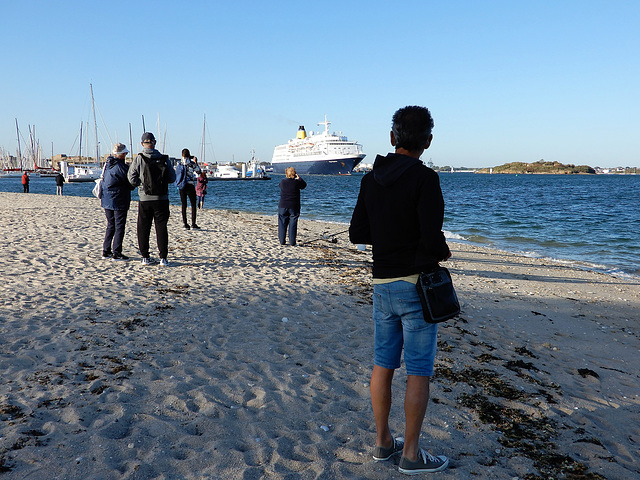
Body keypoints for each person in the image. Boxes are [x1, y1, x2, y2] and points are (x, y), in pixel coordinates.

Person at [349, 106, 451, 475]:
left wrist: (388, 236)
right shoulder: (426, 179)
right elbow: (430, 237)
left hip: (381, 283)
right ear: (427, 141)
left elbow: (357, 233)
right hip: (415, 285)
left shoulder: (369, 179)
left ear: (392, 138)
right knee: (419, 370)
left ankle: (382, 443)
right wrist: (442, 252)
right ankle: (410, 454)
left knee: (383, 364)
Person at [127, 132, 176, 266]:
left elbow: (131, 178)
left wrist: (141, 185)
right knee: (161, 228)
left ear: (143, 144)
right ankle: (163, 258)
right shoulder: (164, 158)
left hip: (145, 198)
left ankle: (145, 257)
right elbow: (172, 178)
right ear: (154, 143)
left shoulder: (139, 158)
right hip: (162, 198)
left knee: (143, 228)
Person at [101, 143, 134, 261]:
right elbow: (131, 183)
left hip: (107, 199)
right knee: (119, 226)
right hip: (119, 199)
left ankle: (106, 250)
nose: (125, 155)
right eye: (125, 153)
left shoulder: (108, 164)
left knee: (111, 225)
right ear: (122, 154)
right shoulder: (121, 167)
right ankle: (117, 252)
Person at [278, 167, 307, 246]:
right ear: (294, 174)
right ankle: (292, 242)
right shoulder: (297, 183)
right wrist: (299, 178)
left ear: (286, 174)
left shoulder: (283, 182)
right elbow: (304, 185)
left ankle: (282, 241)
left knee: (282, 223)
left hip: (283, 205)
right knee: (293, 224)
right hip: (294, 206)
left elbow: (280, 186)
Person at [175, 148, 201, 229]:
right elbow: (199, 171)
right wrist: (196, 162)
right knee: (193, 204)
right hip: (190, 185)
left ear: (182, 155)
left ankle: (185, 224)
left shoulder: (179, 164)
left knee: (184, 205)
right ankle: (193, 223)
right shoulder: (192, 164)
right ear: (189, 155)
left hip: (182, 186)